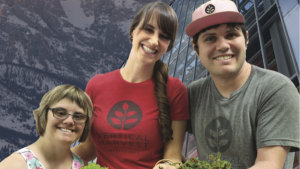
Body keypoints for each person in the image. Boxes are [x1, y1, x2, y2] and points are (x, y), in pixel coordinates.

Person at [72, 1, 189, 169]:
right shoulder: (96, 86)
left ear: (168, 46)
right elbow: (89, 149)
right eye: (148, 30)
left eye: (163, 36)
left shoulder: (175, 90)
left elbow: (172, 156)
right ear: (133, 31)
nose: (155, 41)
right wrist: (45, 156)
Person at [185, 0, 300, 168]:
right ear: (196, 49)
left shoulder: (276, 89)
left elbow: (268, 164)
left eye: (231, 35)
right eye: (210, 39)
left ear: (246, 39)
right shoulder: (191, 95)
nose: (223, 45)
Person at [0, 84, 93, 169]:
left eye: (79, 117)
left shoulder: (83, 166)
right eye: (60, 113)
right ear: (44, 115)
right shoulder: (15, 165)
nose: (69, 121)